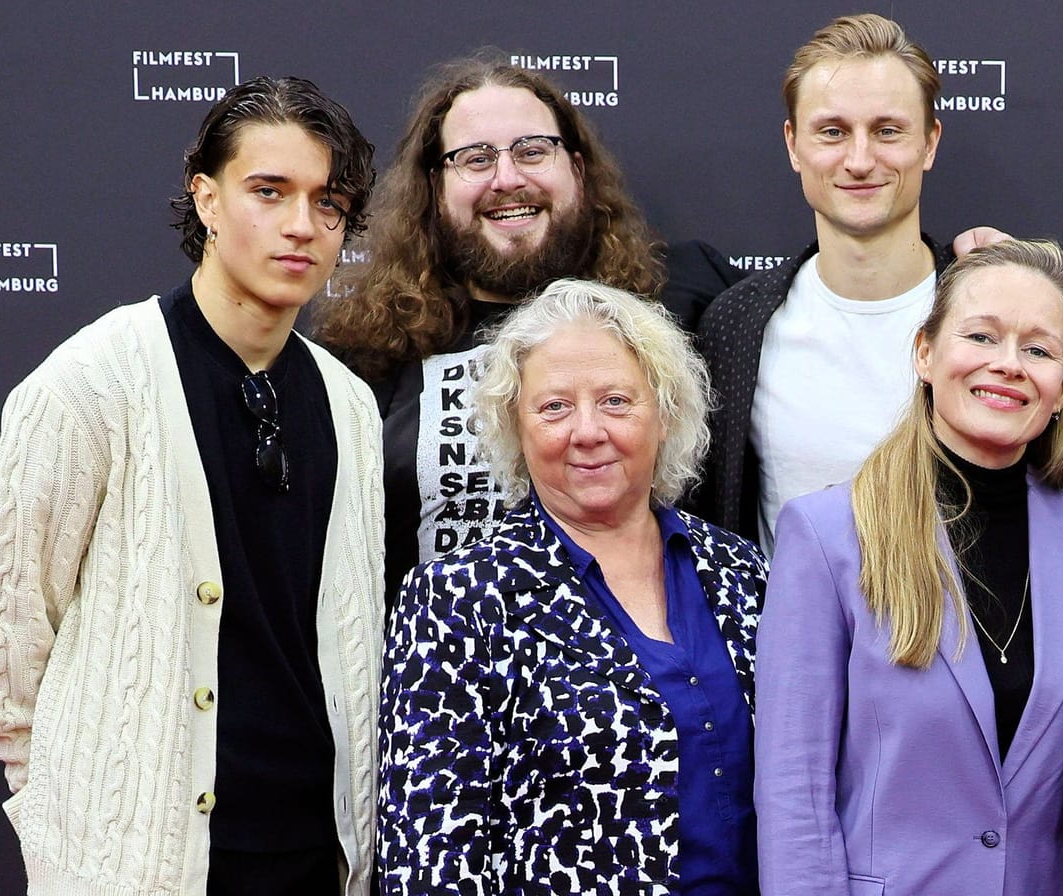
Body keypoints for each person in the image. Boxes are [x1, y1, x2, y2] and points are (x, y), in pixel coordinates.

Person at [0, 77, 382, 896]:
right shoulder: (92, 382)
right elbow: (7, 621)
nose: (302, 225)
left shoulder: (351, 407)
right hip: (142, 871)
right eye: (268, 190)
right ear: (204, 197)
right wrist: (68, 802)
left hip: (302, 874)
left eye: (328, 203)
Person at [749, 240, 1063, 896]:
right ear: (925, 352)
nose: (1008, 365)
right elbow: (792, 790)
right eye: (981, 337)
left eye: (1039, 348)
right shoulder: (829, 535)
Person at [379, 279, 766, 896]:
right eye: (554, 407)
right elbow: (432, 844)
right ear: (517, 430)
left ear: (666, 414)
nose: (586, 432)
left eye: (616, 402)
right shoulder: (461, 596)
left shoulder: (743, 574)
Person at [314, 51, 745, 601]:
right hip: (447, 665)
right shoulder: (367, 354)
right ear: (434, 187)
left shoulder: (681, 300)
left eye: (532, 151)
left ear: (579, 170)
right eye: (474, 159)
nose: (507, 179)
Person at [693, 13, 958, 548]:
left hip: (964, 632)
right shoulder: (736, 326)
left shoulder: (993, 311)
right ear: (794, 145)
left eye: (887, 131)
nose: (859, 161)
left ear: (929, 143)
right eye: (832, 132)